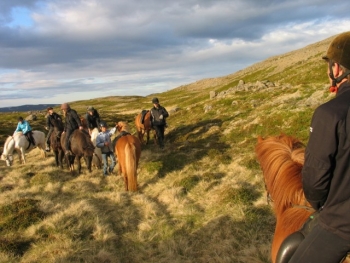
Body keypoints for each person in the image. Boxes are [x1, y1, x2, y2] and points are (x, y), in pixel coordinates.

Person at [288, 32, 350, 263]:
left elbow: (315, 180)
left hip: (341, 222)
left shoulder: (330, 114)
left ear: (337, 69)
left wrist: (319, 205)